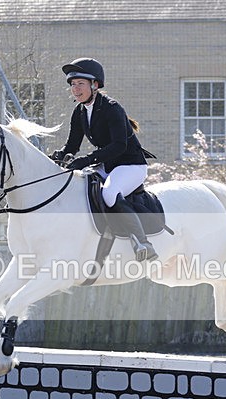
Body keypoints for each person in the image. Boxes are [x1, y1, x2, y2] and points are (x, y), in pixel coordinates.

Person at [51, 57, 157, 262]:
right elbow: (72, 146)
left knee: (109, 194)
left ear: (95, 85)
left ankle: (143, 242)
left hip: (130, 164)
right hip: (107, 164)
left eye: (80, 84)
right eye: (73, 85)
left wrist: (86, 160)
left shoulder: (111, 108)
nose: (75, 89)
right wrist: (58, 157)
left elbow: (119, 146)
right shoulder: (80, 111)